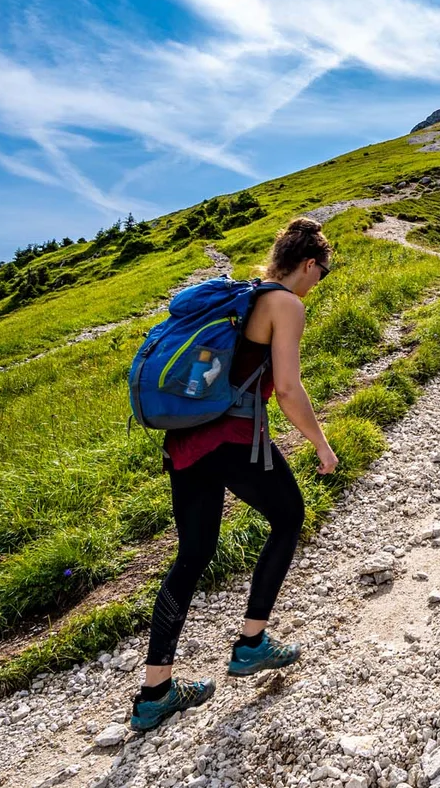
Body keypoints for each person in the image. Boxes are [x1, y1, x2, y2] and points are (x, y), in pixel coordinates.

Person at [130, 217, 341, 732]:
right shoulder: (286, 304)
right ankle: (251, 642)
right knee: (289, 517)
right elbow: (288, 389)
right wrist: (321, 443)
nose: (319, 281)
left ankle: (154, 692)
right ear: (309, 264)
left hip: (186, 440)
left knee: (193, 555)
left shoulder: (245, 296)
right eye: (323, 272)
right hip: (232, 437)